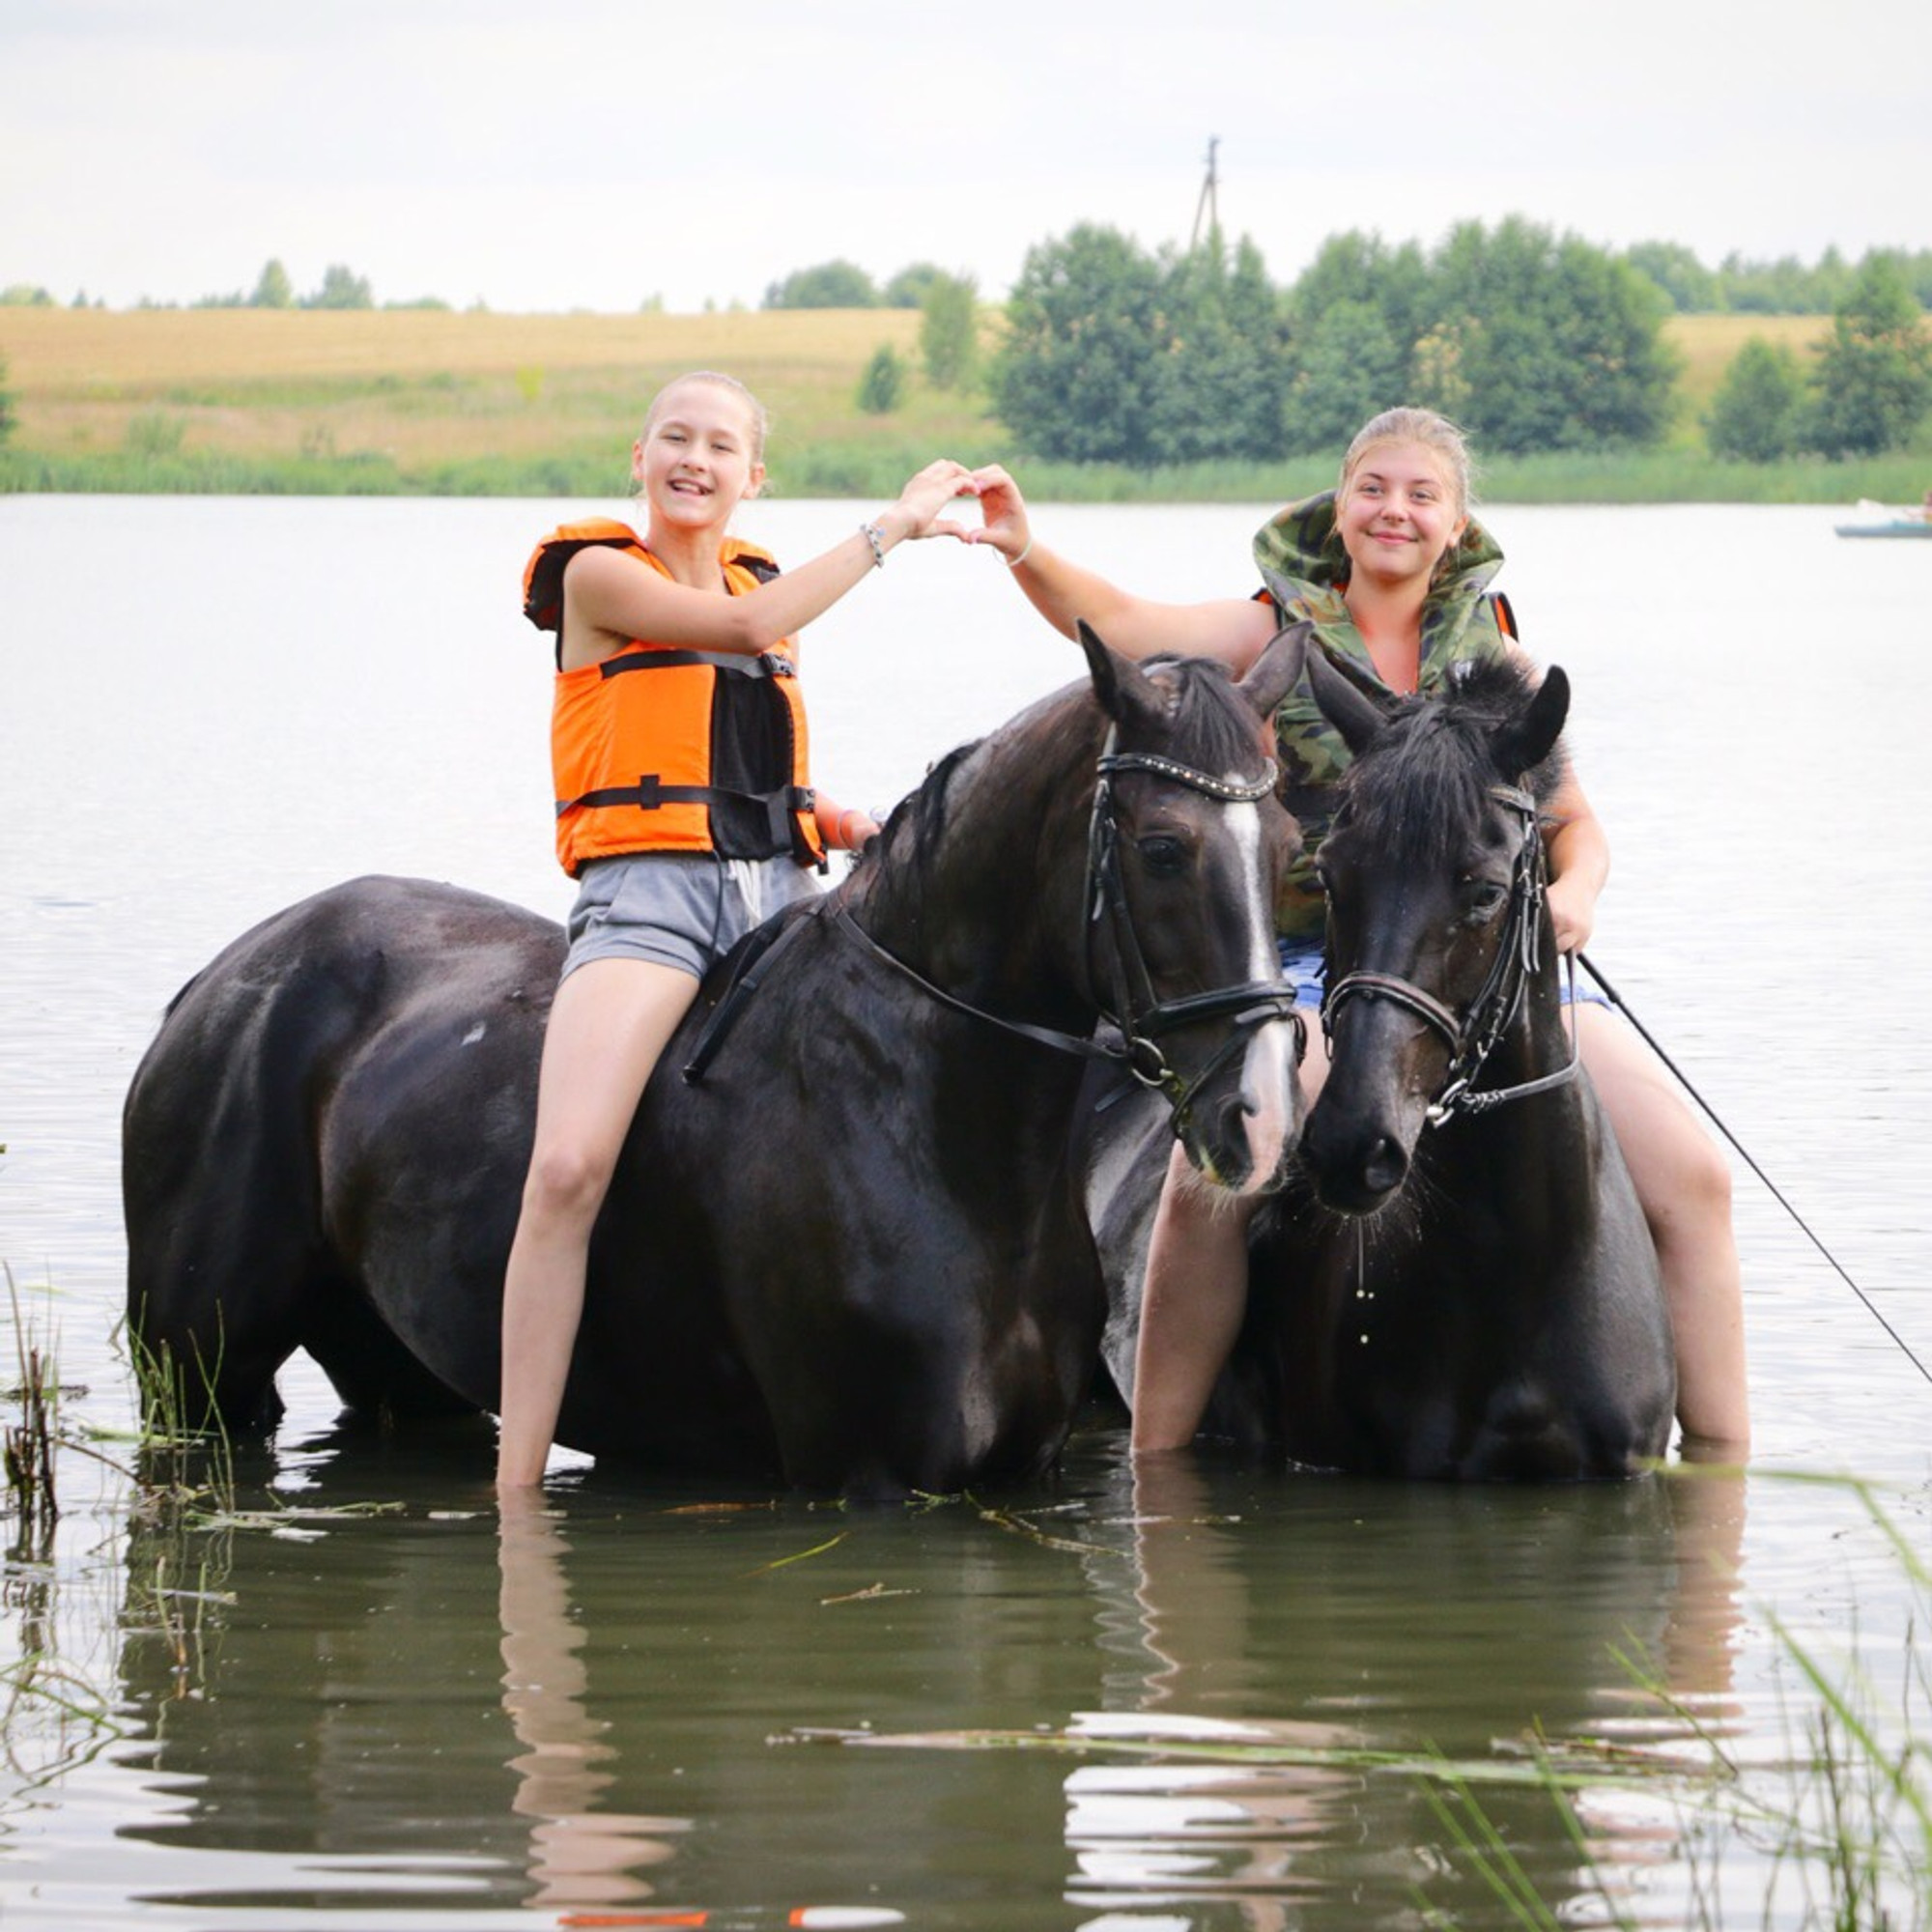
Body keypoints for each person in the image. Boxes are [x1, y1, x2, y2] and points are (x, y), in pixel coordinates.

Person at [965, 407, 1749, 1460]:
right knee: (1228, 1172)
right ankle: (1159, 1464)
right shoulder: (1266, 631)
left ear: (1454, 520)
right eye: (1373, 487)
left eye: (1420, 494)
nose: (1394, 510)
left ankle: (1719, 1473)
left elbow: (1578, 828)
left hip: (1490, 967)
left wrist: (1576, 895)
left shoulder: (1498, 661)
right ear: (1339, 505)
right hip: (1312, 962)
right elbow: (1122, 621)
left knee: (1694, 1173)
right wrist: (1024, 546)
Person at [497, 370, 977, 1488]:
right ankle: (517, 1481)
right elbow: (742, 623)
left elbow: (747, 775)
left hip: (777, 899)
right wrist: (894, 527)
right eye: (674, 436)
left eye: (719, 446)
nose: (694, 459)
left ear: (752, 476)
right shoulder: (599, 574)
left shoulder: (770, 588)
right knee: (567, 1166)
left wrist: (838, 818)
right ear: (638, 454)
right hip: (649, 901)